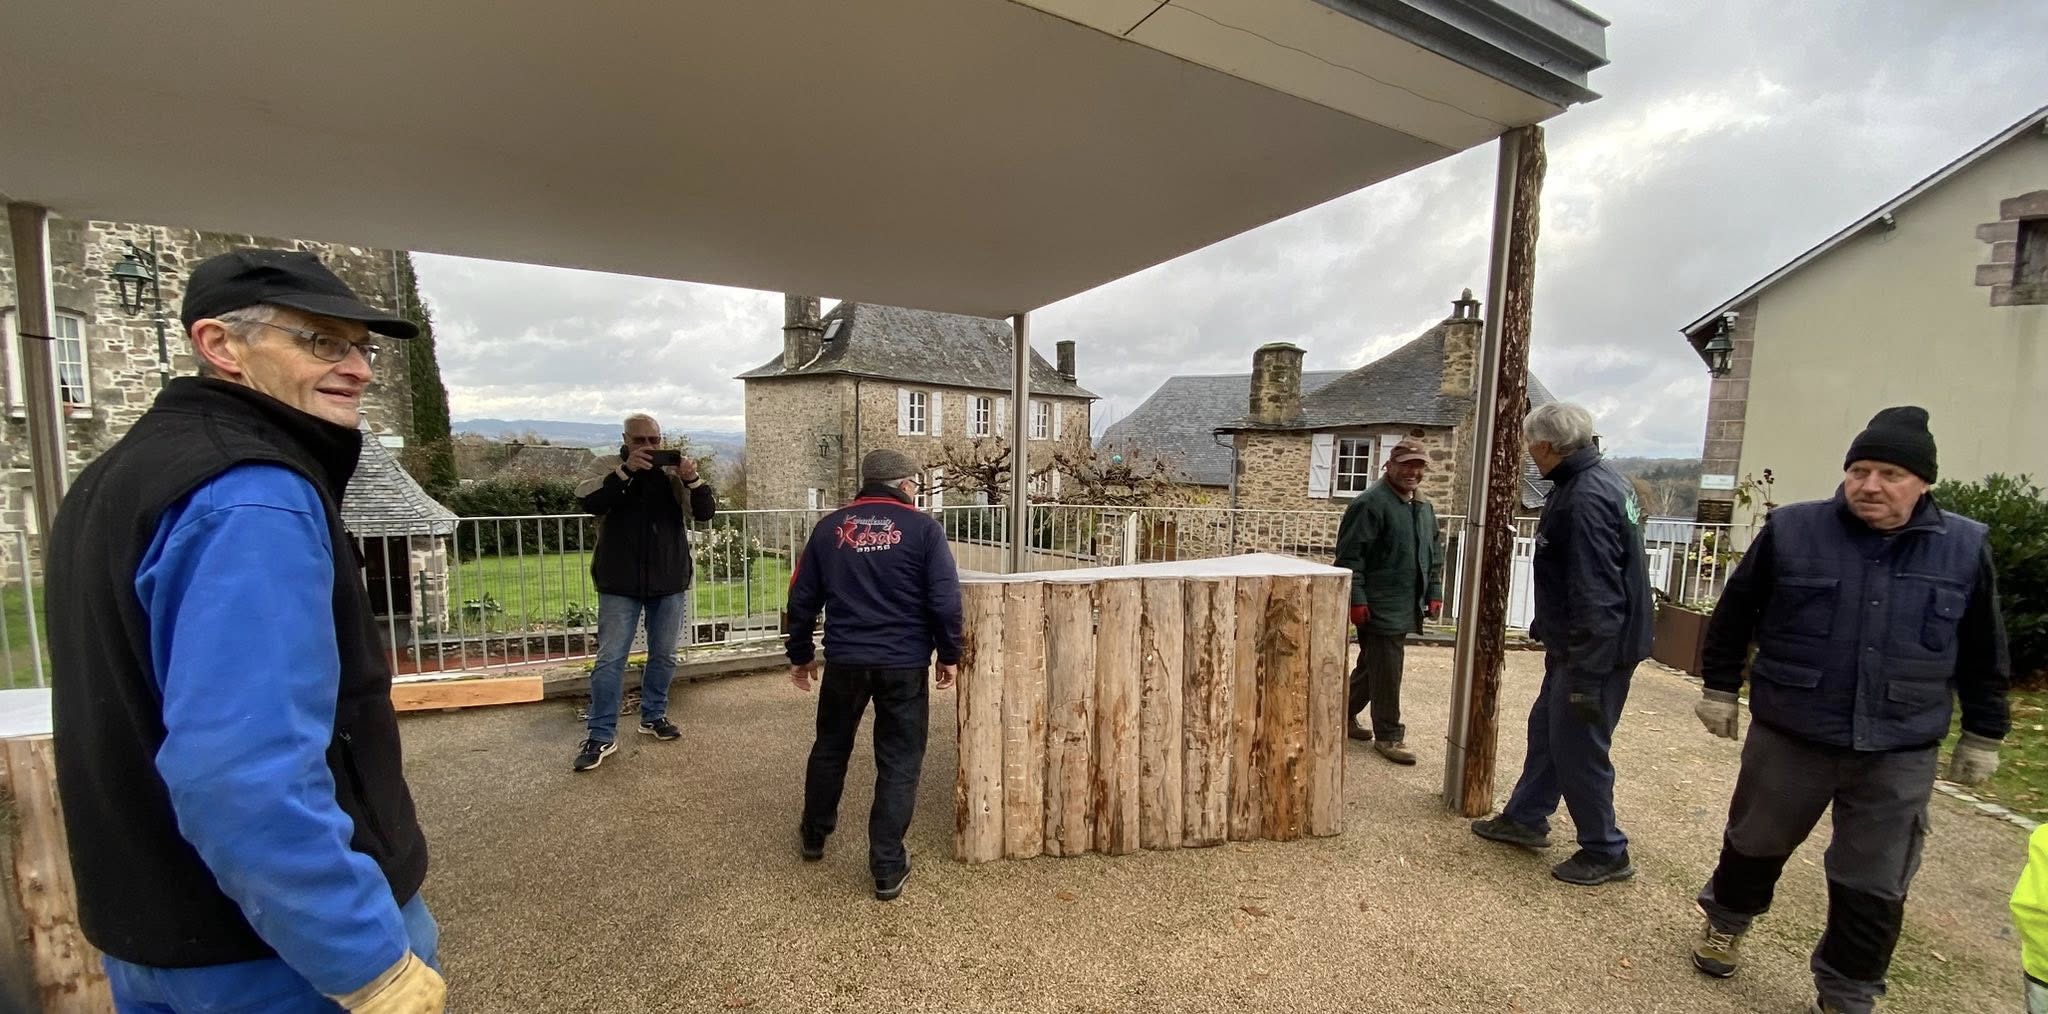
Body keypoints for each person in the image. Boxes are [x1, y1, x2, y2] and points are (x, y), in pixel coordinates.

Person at [46, 249, 444, 1012]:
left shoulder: (113, 474)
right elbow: (242, 769)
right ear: (220, 345)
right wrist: (366, 963)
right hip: (272, 959)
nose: (358, 368)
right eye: (320, 342)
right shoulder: (254, 494)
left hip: (155, 938)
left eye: (360, 348)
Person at [1687, 406, 2008, 1014]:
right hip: (1794, 733)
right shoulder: (1794, 531)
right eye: (1860, 469)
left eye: (1890, 472)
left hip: (1899, 745)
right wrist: (1720, 689)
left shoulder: (1965, 548)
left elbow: (1985, 649)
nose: (1870, 484)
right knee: (1755, 841)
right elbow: (1734, 617)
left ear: (1923, 482)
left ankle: (1847, 990)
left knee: (1875, 881)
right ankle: (1726, 919)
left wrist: (1984, 734)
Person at [1471, 402, 1652, 886]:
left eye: (1532, 445)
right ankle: (1526, 817)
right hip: (1581, 645)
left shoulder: (1585, 496)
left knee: (1578, 744)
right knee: (1548, 731)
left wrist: (1588, 674)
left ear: (1546, 446)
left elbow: (1597, 592)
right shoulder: (1603, 481)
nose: (1530, 453)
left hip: (1594, 651)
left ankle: (1605, 848)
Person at [785, 449, 963, 901]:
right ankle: (886, 864)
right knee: (899, 759)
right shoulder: (924, 530)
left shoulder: (830, 529)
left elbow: (801, 599)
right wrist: (949, 653)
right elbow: (944, 600)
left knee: (830, 747)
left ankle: (814, 834)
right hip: (902, 663)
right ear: (905, 485)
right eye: (916, 486)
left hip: (845, 661)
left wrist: (801, 654)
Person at [570, 412, 718, 771]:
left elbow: (705, 513)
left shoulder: (672, 474)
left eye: (654, 441)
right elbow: (591, 503)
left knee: (664, 655)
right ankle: (601, 733)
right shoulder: (606, 465)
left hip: (668, 579)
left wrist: (693, 480)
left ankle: (653, 716)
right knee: (610, 660)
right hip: (619, 580)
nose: (649, 448)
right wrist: (626, 472)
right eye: (640, 441)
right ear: (626, 439)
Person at [1332, 437, 1444, 765]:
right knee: (1388, 668)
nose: (1412, 471)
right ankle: (1390, 735)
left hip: (1406, 602)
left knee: (1373, 666)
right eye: (1406, 464)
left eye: (1418, 465)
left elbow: (1433, 553)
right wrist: (1357, 599)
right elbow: (1350, 557)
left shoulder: (1422, 506)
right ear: (1388, 466)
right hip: (1379, 603)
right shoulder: (1370, 504)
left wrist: (1434, 591)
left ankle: (1341, 714)